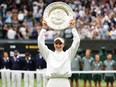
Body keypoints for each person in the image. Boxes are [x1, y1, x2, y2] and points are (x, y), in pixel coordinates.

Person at [37, 18, 80, 87]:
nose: (58, 45)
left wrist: (73, 28)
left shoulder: (68, 54)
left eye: (60, 44)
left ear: (63, 44)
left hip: (64, 82)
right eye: (56, 43)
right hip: (52, 82)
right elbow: (40, 42)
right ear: (54, 44)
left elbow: (77, 41)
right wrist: (43, 29)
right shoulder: (49, 54)